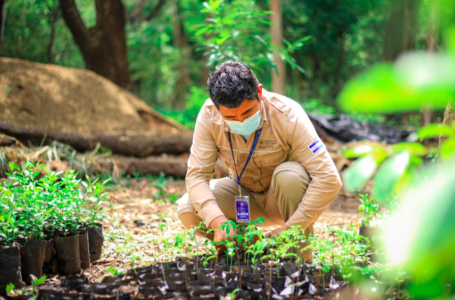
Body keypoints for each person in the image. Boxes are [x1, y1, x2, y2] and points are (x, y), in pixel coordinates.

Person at [177, 61, 342, 261]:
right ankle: (248, 249)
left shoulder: (288, 115)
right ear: (217, 107)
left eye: (247, 113)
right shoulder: (209, 115)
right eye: (231, 117)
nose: (241, 121)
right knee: (187, 207)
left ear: (260, 93)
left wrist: (290, 228)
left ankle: (298, 261)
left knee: (288, 176)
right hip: (241, 195)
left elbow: (329, 179)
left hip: (285, 201)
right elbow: (196, 177)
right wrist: (218, 222)